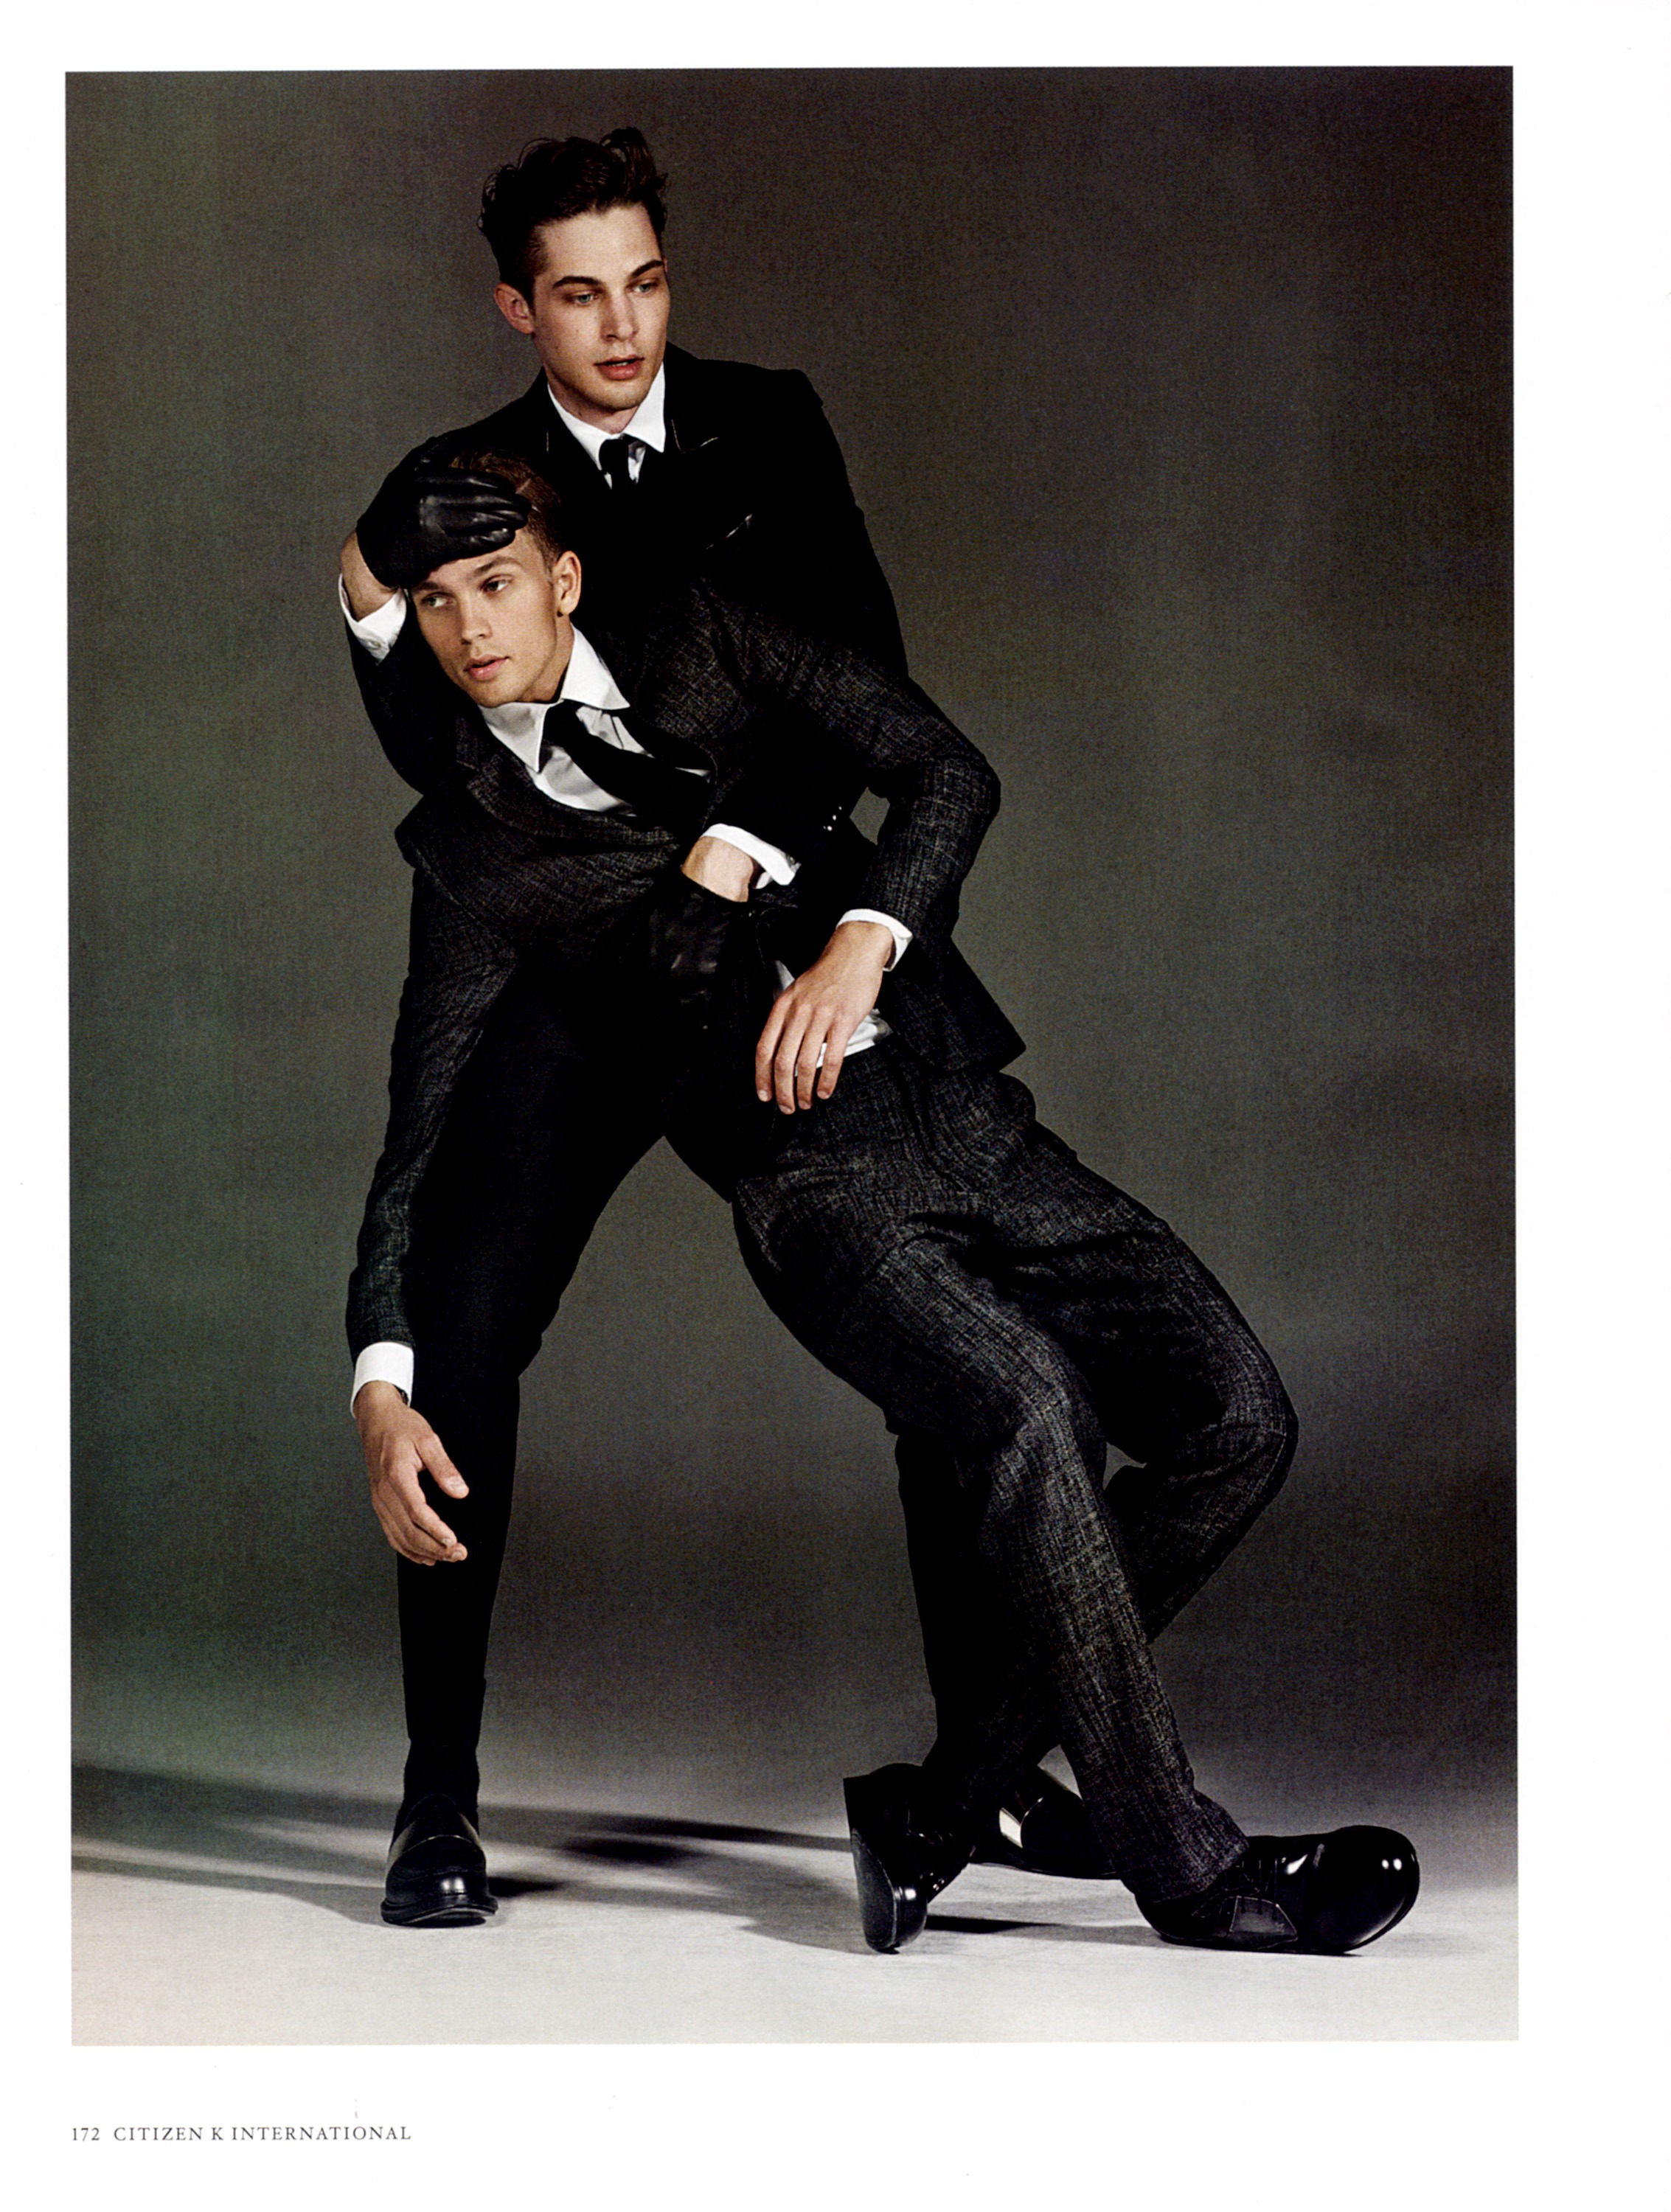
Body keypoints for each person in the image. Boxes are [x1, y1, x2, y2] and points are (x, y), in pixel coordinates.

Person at [347, 451, 1420, 1955]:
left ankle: (939, 1808)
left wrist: (866, 936)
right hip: (816, 1192)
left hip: (967, 1112)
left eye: (497, 583)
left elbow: (943, 768)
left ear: (564, 579)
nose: (471, 627)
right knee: (1031, 1408)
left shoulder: (706, 635)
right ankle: (1187, 1870)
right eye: (435, 601)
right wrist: (380, 1381)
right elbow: (421, 1131)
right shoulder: (473, 852)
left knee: (1238, 1419)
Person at [344, 125, 1108, 1889]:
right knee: (462, 1318)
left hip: (760, 937)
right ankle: (436, 1797)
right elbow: (429, 731)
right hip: (572, 965)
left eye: (645, 284)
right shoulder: (468, 490)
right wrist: (361, 582)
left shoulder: (771, 419)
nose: (622, 329)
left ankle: (981, 1774)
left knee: (933, 1307)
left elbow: (861, 672)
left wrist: (743, 849)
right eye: (577, 296)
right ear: (516, 308)